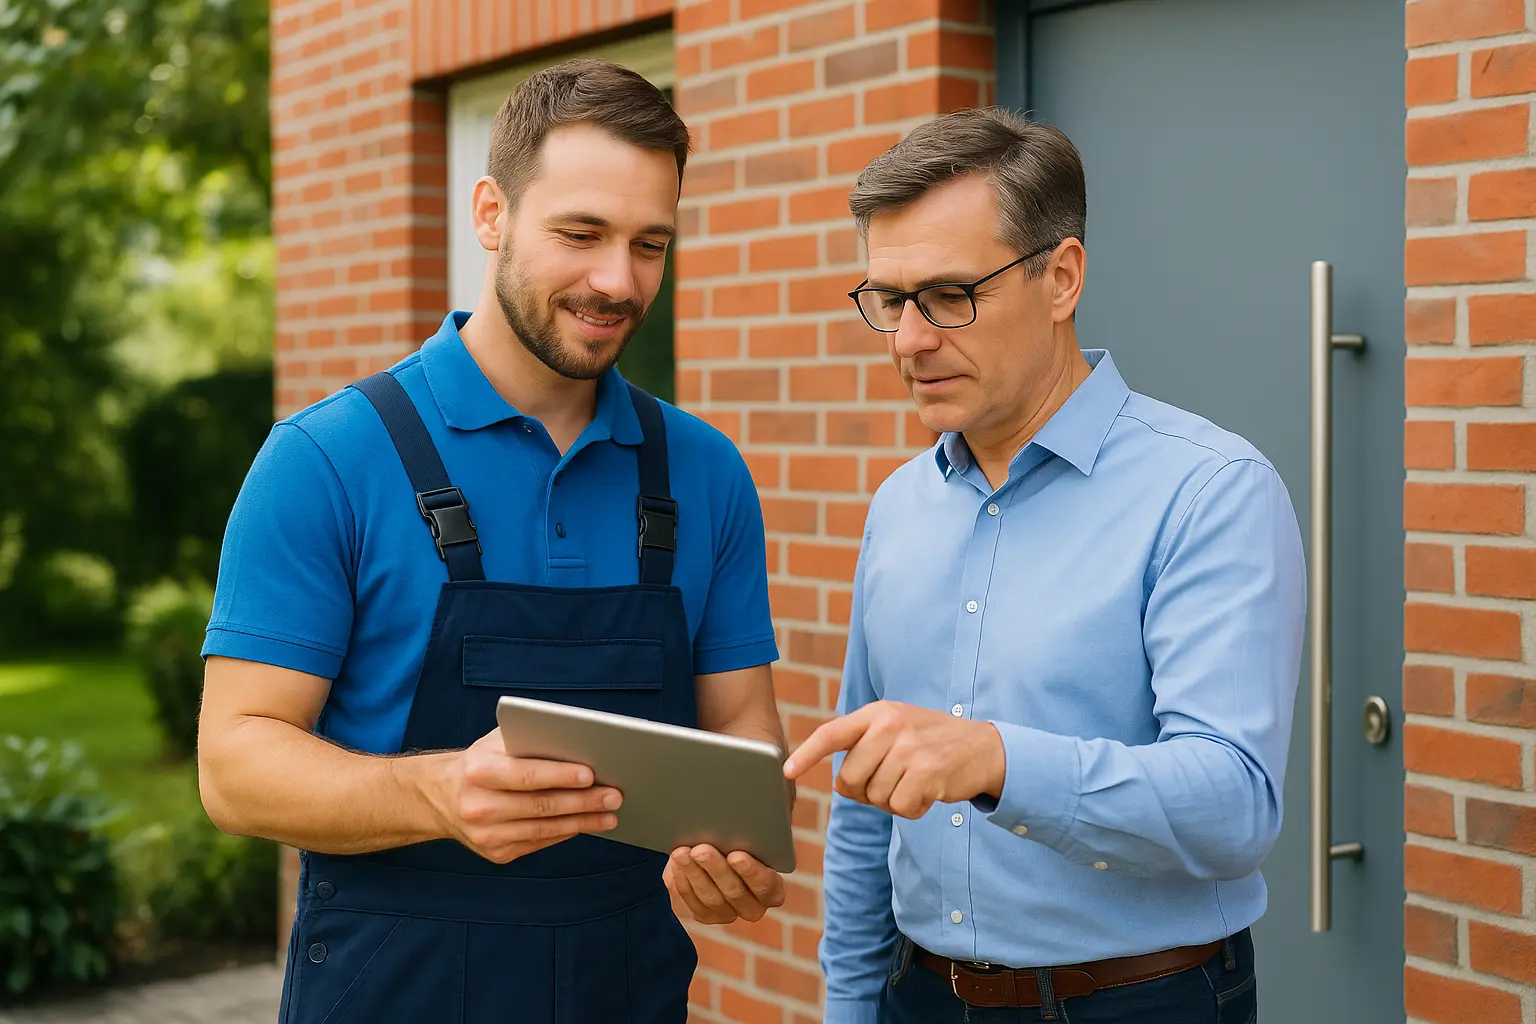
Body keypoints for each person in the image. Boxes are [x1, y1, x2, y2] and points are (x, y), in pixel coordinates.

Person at [196, 58, 789, 1024]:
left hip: (628, 991)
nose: (618, 280)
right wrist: (438, 793)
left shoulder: (705, 473)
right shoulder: (326, 459)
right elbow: (234, 766)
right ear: (490, 214)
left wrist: (741, 847)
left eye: (650, 243)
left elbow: (743, 728)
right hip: (392, 990)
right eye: (581, 233)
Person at [783, 107, 1305, 1023]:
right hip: (916, 996)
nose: (908, 339)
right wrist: (849, 1003)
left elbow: (1232, 805)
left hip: (1140, 1001)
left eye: (950, 295)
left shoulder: (1210, 489)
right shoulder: (899, 505)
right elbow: (865, 805)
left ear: (1061, 278)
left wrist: (993, 758)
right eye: (890, 300)